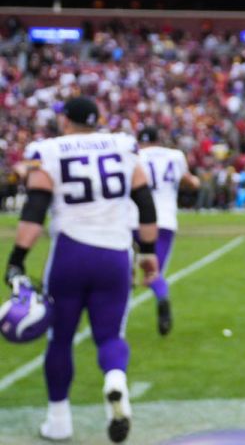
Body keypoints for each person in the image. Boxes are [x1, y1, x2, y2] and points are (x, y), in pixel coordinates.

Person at [6, 97, 159, 442]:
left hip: (70, 254)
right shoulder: (123, 145)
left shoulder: (49, 150)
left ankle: (58, 420)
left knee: (60, 338)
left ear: (65, 120)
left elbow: (34, 211)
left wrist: (16, 259)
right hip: (116, 255)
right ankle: (115, 381)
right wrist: (148, 253)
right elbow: (145, 204)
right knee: (110, 336)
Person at [134, 127, 200, 336]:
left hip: (134, 219)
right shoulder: (175, 155)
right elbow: (190, 182)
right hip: (164, 220)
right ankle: (161, 297)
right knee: (153, 272)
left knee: (125, 269)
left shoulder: (134, 155)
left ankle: (113, 317)